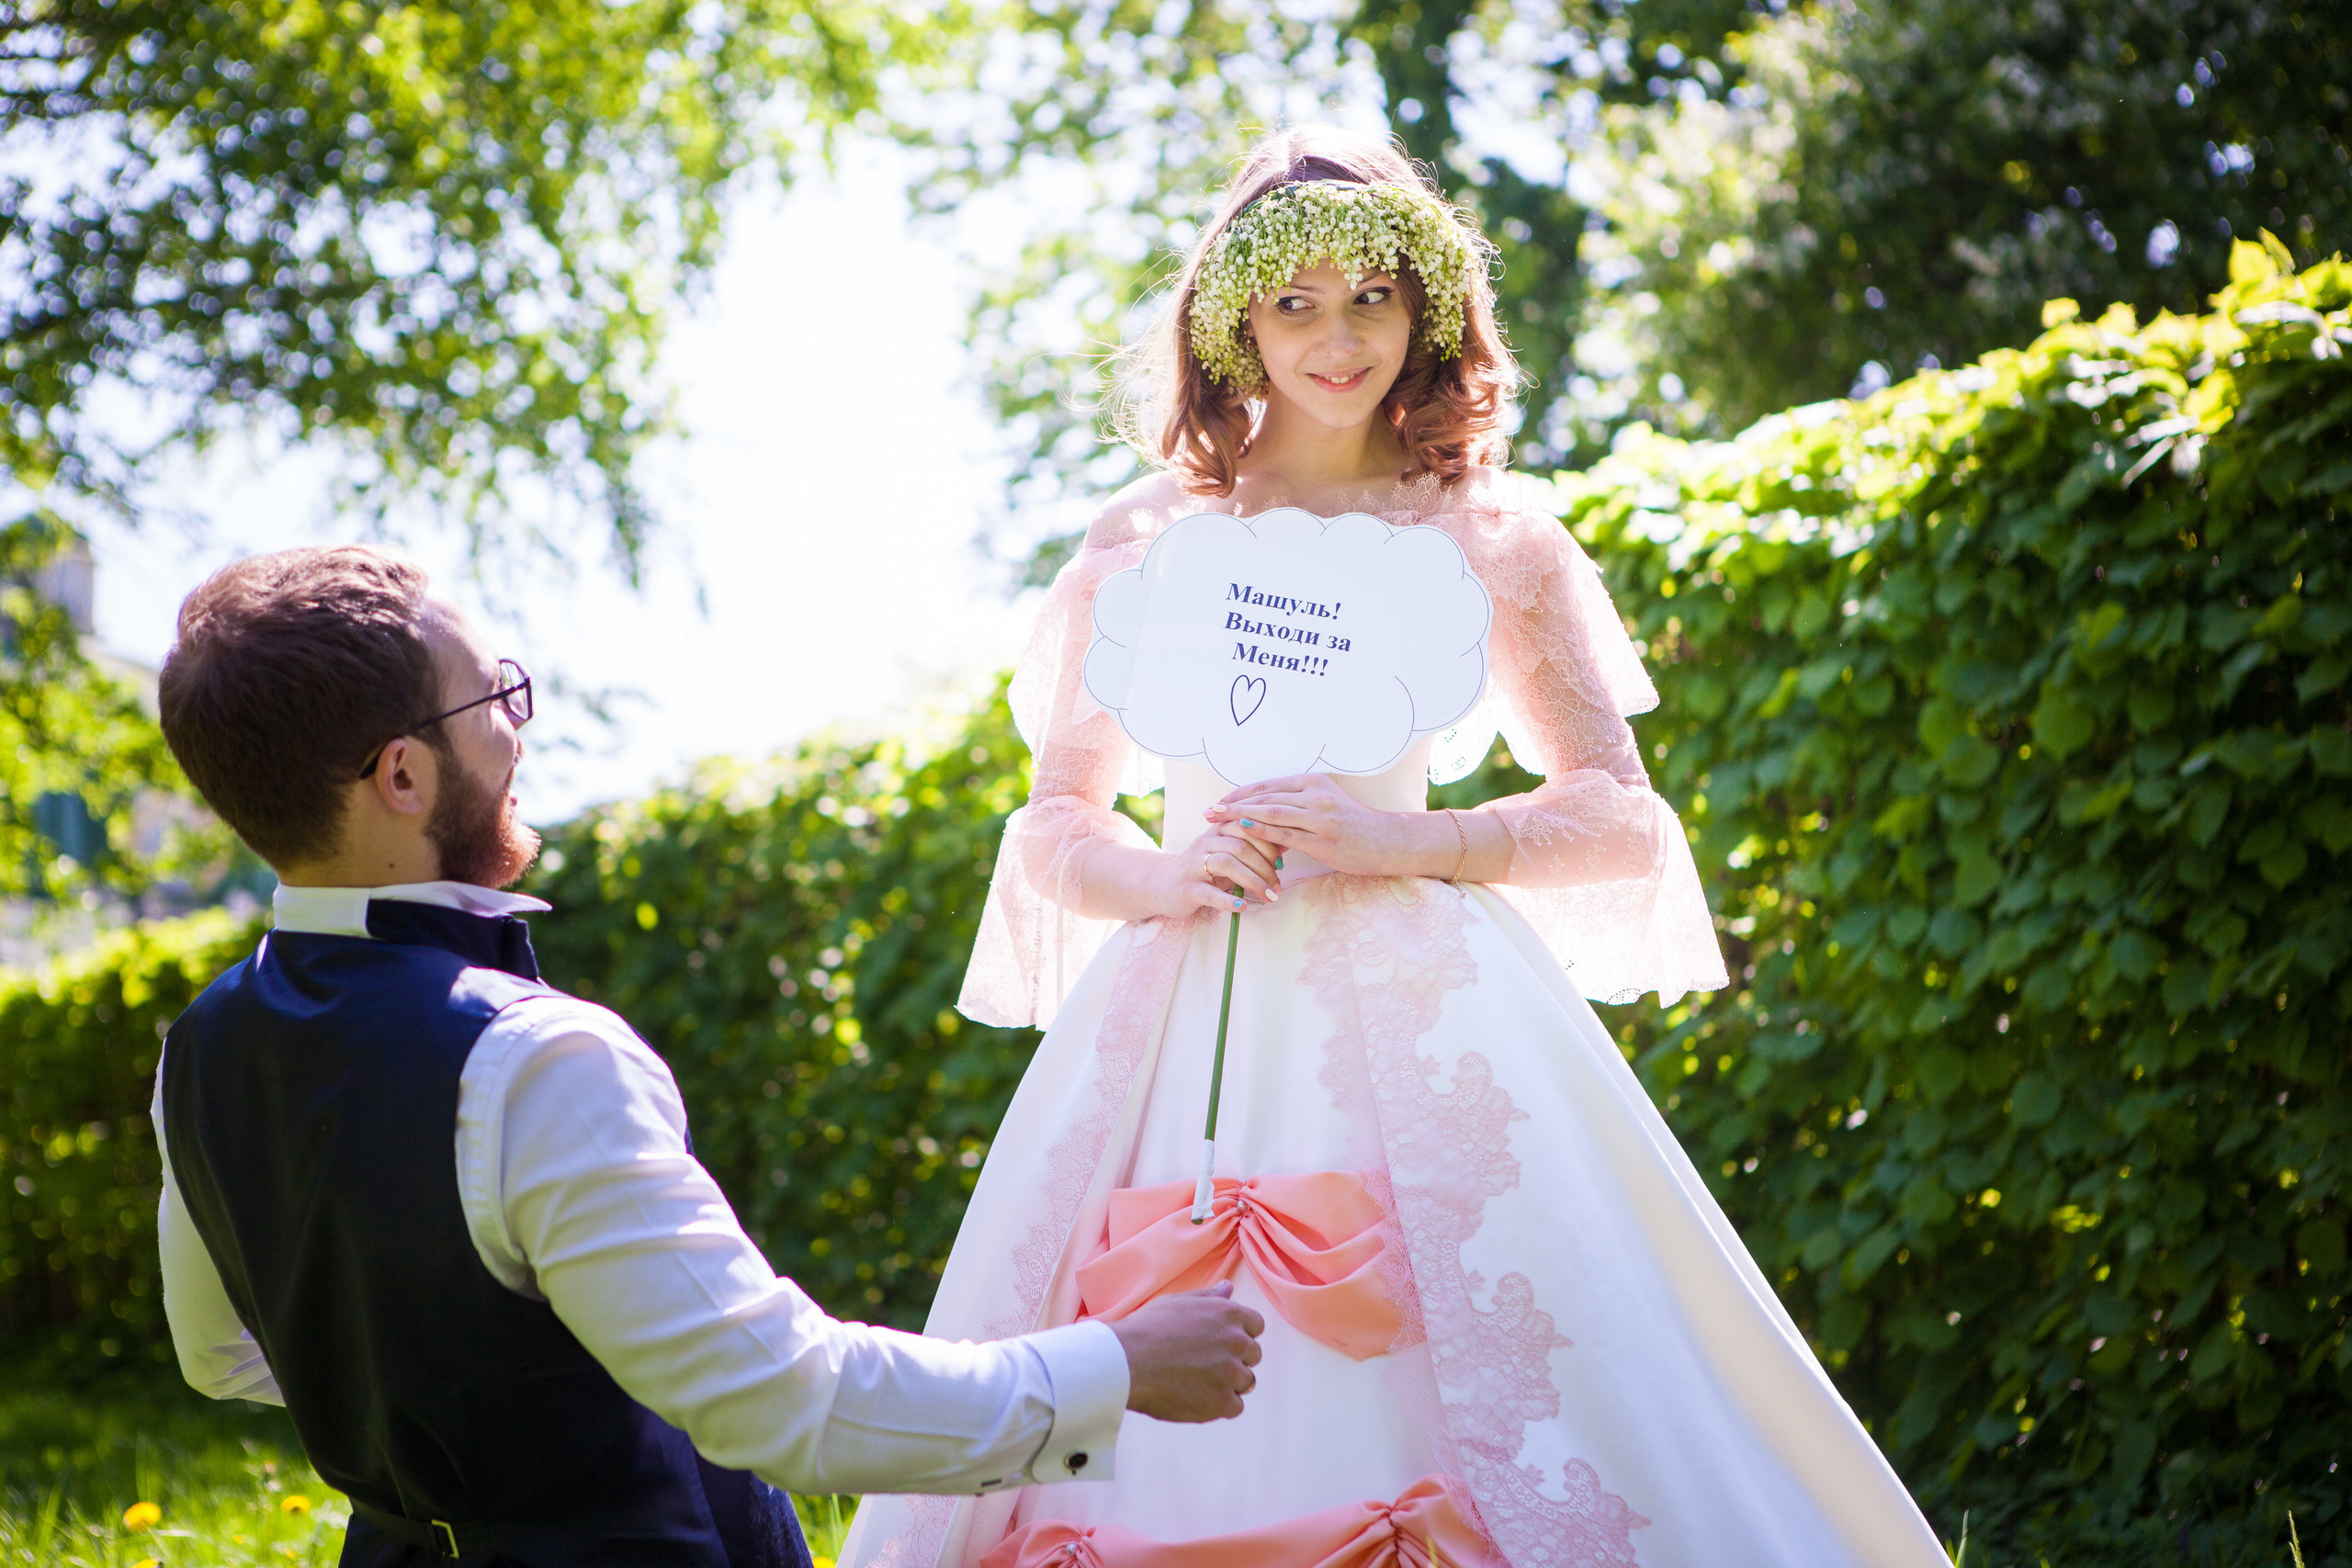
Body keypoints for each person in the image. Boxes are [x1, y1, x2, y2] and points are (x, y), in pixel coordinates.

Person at [842, 128, 1951, 1568]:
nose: (1337, 336)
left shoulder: (1493, 536)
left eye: (1373, 296)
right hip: (1178, 1009)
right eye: (1294, 301)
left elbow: (1615, 809)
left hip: (1436, 1011)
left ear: (1430, 306)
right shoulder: (1142, 540)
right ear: (1231, 316)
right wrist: (1164, 875)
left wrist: (1401, 836)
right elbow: (1055, 821)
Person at [150, 547, 1265, 1568]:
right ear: (403, 775)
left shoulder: (198, 1050)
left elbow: (221, 1358)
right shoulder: (532, 1059)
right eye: (495, 696)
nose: (518, 729)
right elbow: (791, 1403)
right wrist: (1116, 1367)